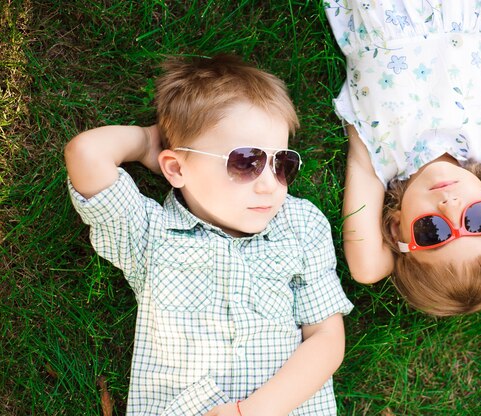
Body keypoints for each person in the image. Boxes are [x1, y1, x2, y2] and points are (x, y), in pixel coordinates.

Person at [64, 55, 353, 415]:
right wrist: (145, 142)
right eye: (246, 161)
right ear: (174, 168)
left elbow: (326, 339)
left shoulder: (300, 224)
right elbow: (86, 153)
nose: (269, 185)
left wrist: (255, 410)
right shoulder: (150, 235)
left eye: (282, 164)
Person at [325, 0, 481, 316]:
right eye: (479, 222)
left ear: (396, 230)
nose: (450, 207)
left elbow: (366, 268)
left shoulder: (378, 161)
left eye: (432, 231)